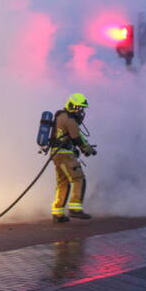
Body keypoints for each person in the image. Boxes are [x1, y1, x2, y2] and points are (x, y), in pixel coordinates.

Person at [50, 93, 96, 223]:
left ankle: (57, 213)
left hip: (57, 154)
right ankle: (75, 208)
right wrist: (86, 149)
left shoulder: (61, 116)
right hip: (65, 155)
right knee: (78, 178)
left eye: (82, 109)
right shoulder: (69, 119)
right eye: (79, 108)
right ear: (71, 106)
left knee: (63, 182)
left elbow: (76, 137)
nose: (81, 111)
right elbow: (77, 138)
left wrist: (86, 147)